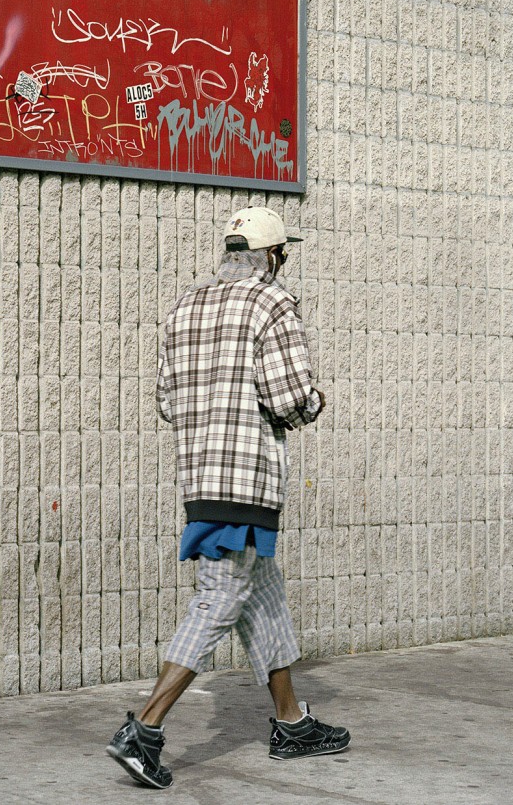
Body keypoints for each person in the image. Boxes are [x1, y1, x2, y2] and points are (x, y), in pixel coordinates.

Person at [106, 206, 349, 789]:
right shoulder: (273, 303)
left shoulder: (185, 306)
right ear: (274, 256)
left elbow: (167, 402)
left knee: (262, 593)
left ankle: (291, 723)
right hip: (247, 479)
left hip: (201, 476)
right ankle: (144, 729)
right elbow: (289, 398)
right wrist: (315, 401)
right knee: (219, 597)